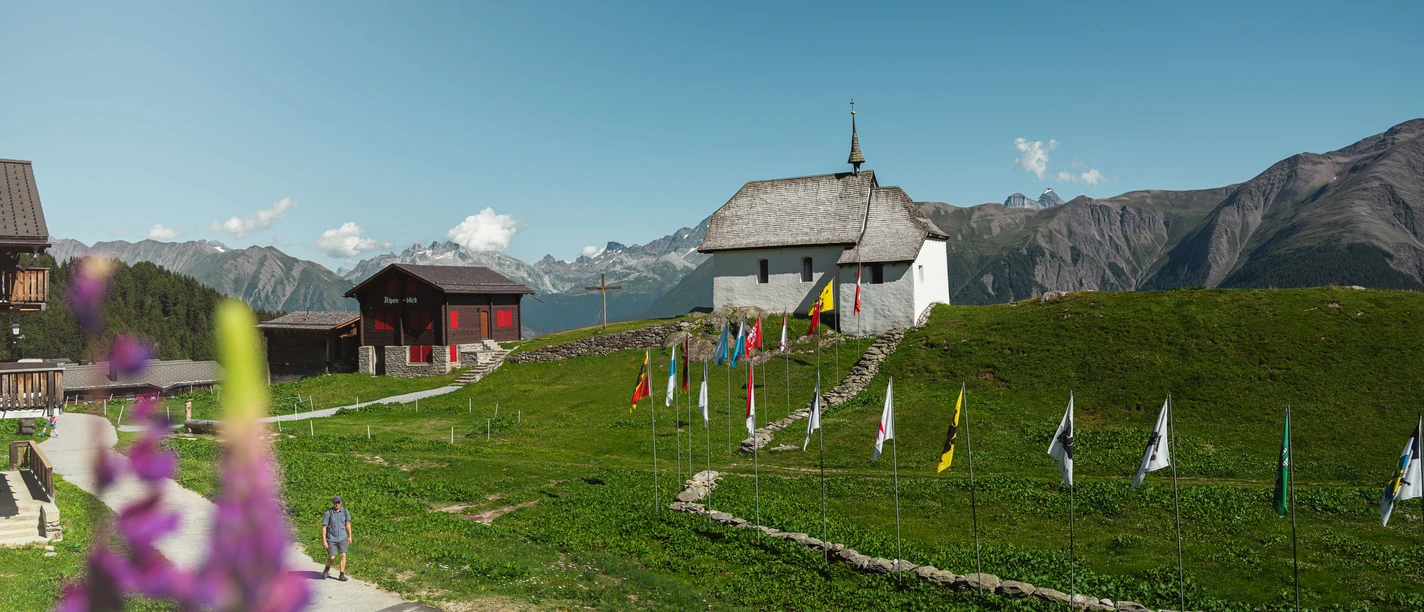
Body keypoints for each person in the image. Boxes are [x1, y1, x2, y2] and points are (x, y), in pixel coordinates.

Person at [321, 495, 353, 581]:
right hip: (331, 538)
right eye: (335, 503)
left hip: (342, 537)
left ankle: (341, 575)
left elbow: (348, 524)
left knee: (343, 555)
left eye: (338, 503)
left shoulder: (345, 511)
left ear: (341, 503)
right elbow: (324, 527)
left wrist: (350, 536)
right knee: (332, 557)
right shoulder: (329, 513)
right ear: (333, 503)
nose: (337, 504)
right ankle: (327, 569)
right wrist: (324, 541)